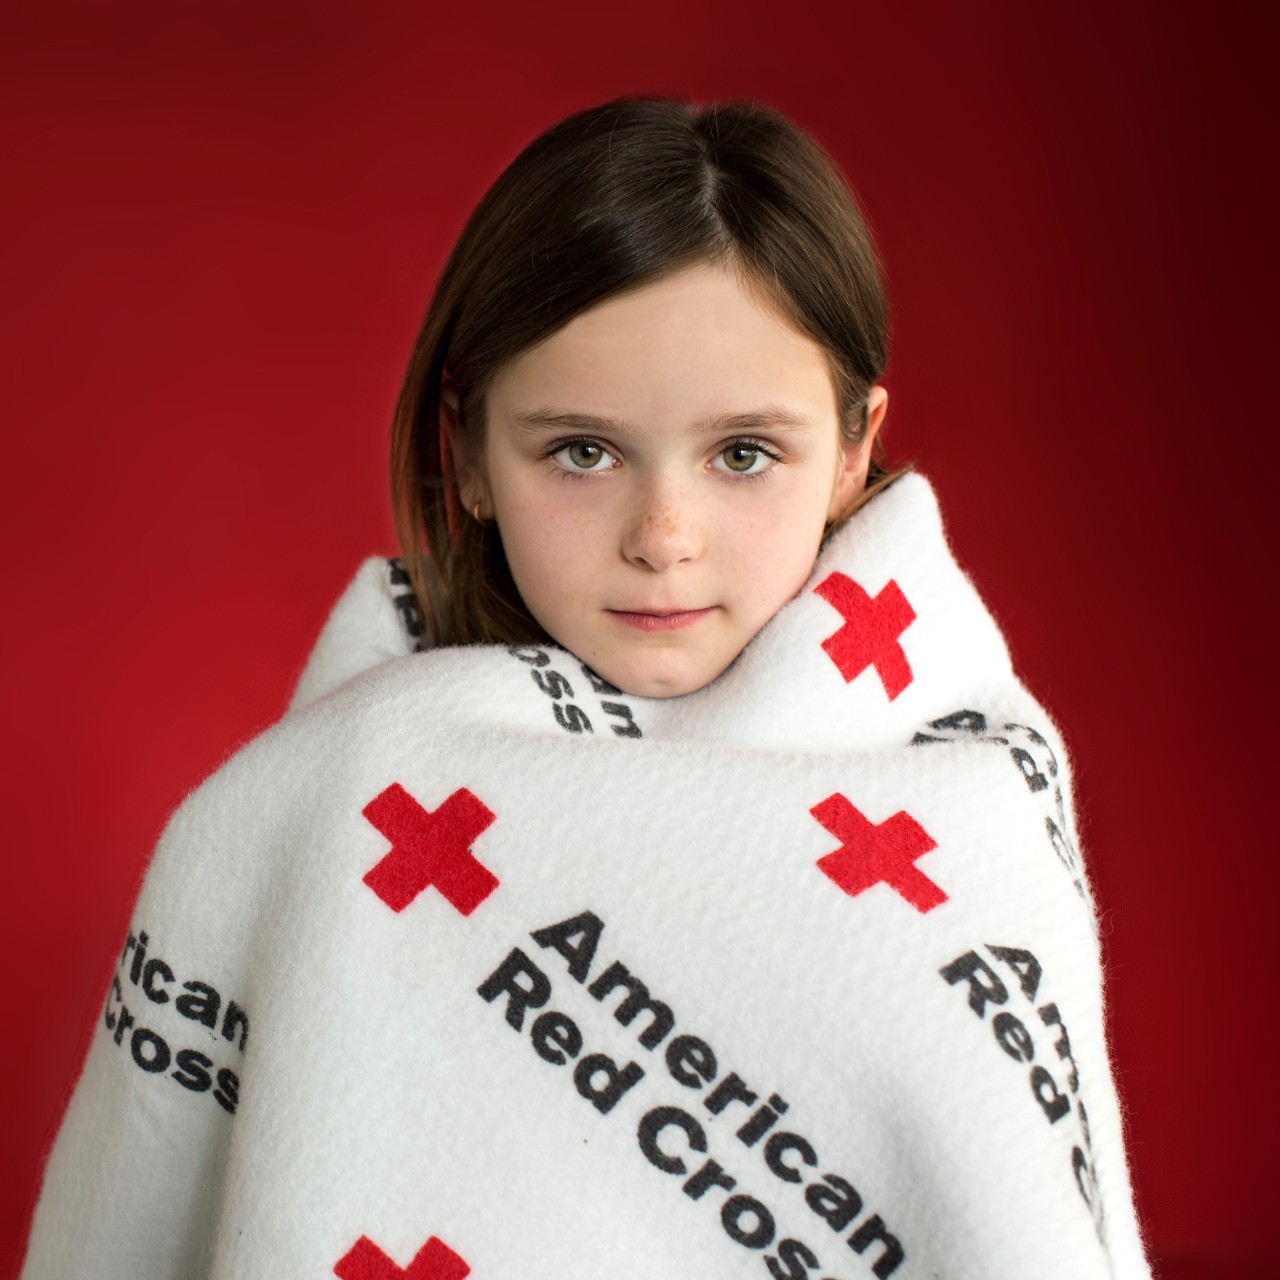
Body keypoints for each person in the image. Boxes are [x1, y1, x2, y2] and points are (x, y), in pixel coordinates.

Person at [20, 97, 1151, 1279]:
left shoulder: (974, 799)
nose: (662, 536)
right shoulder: (317, 797)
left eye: (744, 454)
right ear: (464, 452)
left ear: (854, 448)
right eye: (581, 450)